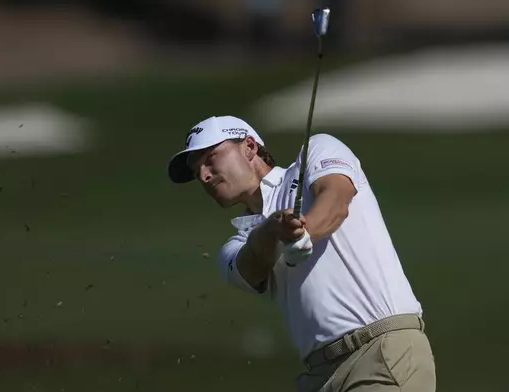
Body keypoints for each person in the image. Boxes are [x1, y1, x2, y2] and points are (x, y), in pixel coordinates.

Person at [167, 115, 436, 392]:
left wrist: (304, 233)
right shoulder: (234, 247)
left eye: (210, 158)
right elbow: (252, 265)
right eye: (197, 170)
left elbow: (335, 199)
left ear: (249, 147)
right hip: (319, 375)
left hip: (380, 349)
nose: (203, 175)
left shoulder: (317, 152)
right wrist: (273, 231)